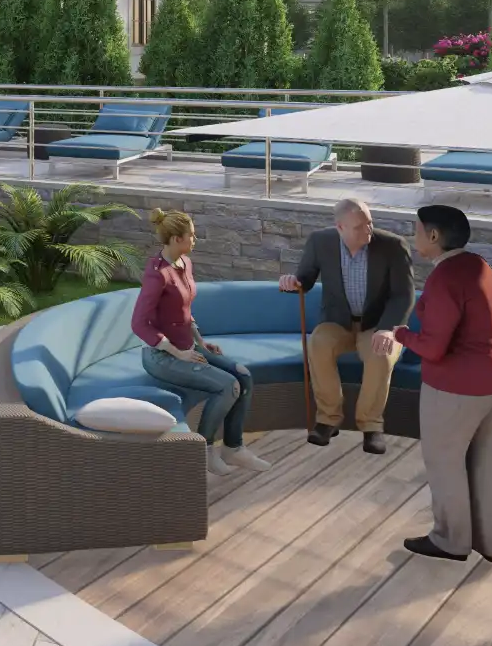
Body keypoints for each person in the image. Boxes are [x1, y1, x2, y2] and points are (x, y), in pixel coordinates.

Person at [372, 204, 492, 563]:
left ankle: (451, 541)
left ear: (434, 236)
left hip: (458, 389)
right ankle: (491, 542)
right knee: (483, 461)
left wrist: (401, 334)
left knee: (445, 463)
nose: (414, 236)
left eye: (417, 230)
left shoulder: (444, 278)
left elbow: (434, 347)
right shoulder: (479, 265)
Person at [132, 210, 269, 476]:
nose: (195, 240)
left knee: (243, 376)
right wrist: (176, 352)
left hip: (188, 347)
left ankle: (233, 448)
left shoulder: (184, 263)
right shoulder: (157, 274)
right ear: (176, 239)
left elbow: (183, 310)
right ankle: (204, 451)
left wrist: (199, 341)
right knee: (228, 386)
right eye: (191, 236)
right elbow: (138, 323)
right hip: (162, 356)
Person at [279, 197, 414, 453]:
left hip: (378, 324)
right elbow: (305, 278)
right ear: (340, 227)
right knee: (318, 344)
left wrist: (388, 329)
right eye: (359, 226)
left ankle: (371, 426)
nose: (368, 229)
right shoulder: (320, 242)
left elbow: (403, 296)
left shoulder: (393, 246)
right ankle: (327, 420)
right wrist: (293, 282)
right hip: (338, 322)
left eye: (370, 222)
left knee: (380, 354)